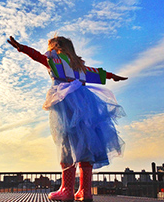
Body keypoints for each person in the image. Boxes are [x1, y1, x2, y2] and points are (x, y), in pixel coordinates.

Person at [7, 35, 127, 202]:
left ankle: (67, 190)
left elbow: (38, 57)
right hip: (86, 104)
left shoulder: (55, 59)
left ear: (55, 47)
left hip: (65, 102)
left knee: (66, 144)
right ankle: (86, 192)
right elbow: (98, 73)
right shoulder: (79, 66)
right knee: (86, 145)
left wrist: (22, 48)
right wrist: (113, 76)